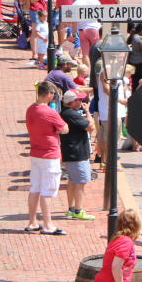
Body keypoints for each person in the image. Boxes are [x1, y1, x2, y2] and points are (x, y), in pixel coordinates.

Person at [24, 80, 67, 234]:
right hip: (49, 155)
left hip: (35, 153)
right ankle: (48, 225)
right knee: (47, 190)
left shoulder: (30, 109)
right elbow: (65, 129)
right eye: (53, 94)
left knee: (35, 188)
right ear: (48, 94)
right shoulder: (49, 112)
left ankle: (32, 222)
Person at [59, 89, 96, 221]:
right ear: (72, 102)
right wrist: (87, 113)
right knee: (81, 182)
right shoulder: (71, 114)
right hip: (77, 153)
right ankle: (78, 210)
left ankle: (71, 209)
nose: (81, 101)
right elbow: (91, 127)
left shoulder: (66, 113)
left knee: (73, 181)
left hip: (71, 152)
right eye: (79, 100)